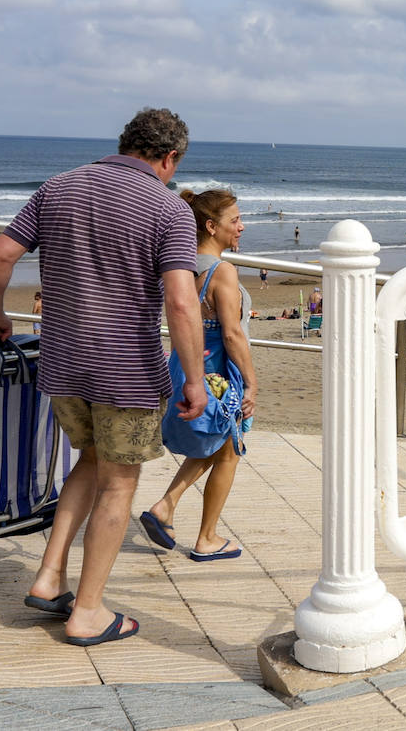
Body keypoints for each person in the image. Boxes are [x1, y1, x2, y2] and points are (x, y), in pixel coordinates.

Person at [0, 107, 204, 648]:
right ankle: (89, 612)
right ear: (169, 158)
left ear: (125, 143)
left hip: (63, 363)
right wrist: (193, 377)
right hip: (126, 371)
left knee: (91, 460)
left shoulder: (59, 187)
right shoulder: (169, 209)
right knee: (119, 484)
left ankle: (49, 576)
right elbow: (180, 301)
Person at [146, 189, 259, 564]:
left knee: (220, 444)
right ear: (211, 226)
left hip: (184, 361)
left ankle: (167, 506)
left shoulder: (182, 267)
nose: (241, 227)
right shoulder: (222, 271)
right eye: (234, 221)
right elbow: (232, 333)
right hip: (217, 371)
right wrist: (252, 381)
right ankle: (206, 538)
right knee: (230, 449)